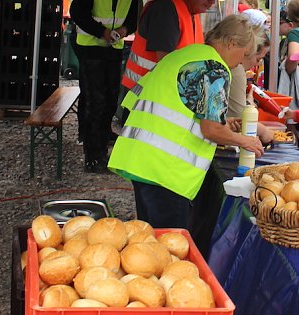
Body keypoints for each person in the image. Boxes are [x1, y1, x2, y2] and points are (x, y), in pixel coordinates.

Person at [108, 15, 265, 230]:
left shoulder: (188, 54)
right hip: (166, 171)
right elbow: (210, 129)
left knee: (150, 238)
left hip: (142, 160)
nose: (241, 61)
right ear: (231, 43)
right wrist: (244, 141)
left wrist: (224, 122)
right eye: (244, 54)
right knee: (170, 246)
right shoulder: (214, 68)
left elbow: (182, 109)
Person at [70, 0, 142, 172]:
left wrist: (124, 29)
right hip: (90, 48)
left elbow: (135, 16)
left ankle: (102, 142)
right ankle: (94, 157)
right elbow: (77, 12)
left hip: (113, 48)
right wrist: (100, 32)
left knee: (110, 100)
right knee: (95, 102)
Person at [120, 0, 227, 98]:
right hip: (144, 98)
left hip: (158, 97)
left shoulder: (191, 12)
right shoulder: (166, 10)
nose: (212, 2)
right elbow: (167, 63)